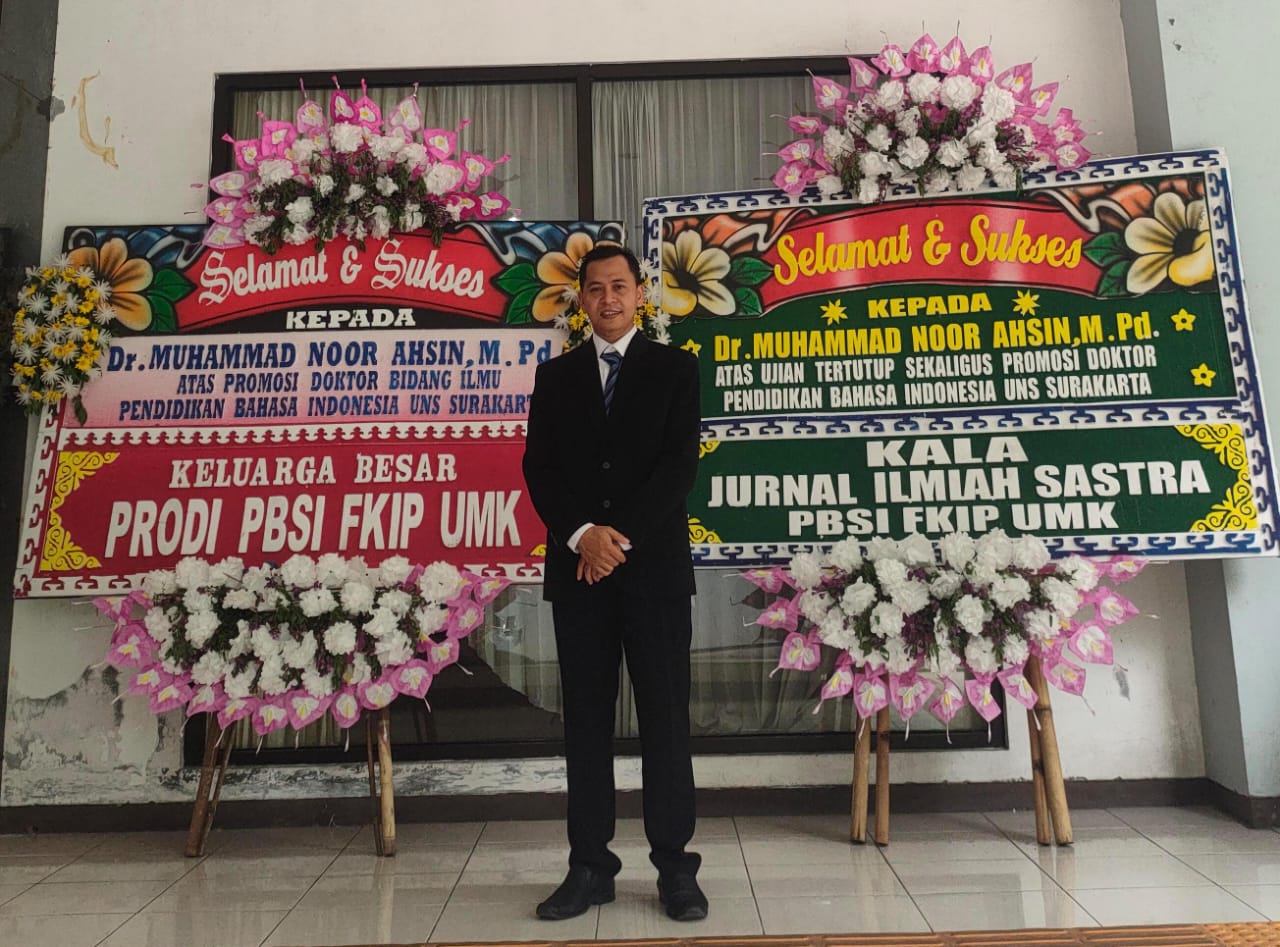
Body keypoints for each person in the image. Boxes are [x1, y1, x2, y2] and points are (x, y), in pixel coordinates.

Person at [521, 244, 706, 922]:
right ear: (581, 299)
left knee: (665, 722)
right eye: (595, 288)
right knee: (587, 725)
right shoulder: (555, 377)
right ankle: (589, 868)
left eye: (619, 286)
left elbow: (678, 466)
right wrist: (582, 536)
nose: (608, 299)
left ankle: (676, 870)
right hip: (580, 576)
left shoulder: (675, 369)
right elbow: (540, 468)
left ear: (639, 294)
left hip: (653, 574)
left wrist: (615, 537)